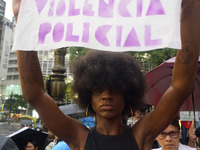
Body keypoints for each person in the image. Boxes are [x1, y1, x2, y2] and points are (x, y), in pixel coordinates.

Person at [12, 0, 200, 149]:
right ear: (88, 96)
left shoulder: (141, 134)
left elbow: (180, 86)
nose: (106, 95)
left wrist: (190, 10)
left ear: (127, 95)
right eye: (98, 89)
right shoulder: (78, 137)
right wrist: (21, 19)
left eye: (115, 89)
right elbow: (34, 94)